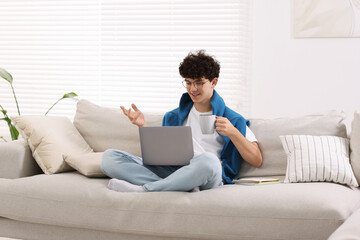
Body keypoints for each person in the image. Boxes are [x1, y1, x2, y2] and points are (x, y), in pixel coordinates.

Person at [101, 50, 262, 192]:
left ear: (214, 82)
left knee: (209, 160)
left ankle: (146, 189)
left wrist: (233, 132)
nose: (193, 89)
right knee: (109, 157)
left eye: (199, 82)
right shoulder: (173, 116)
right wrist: (143, 126)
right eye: (188, 82)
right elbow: (162, 154)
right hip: (175, 171)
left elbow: (256, 159)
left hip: (207, 174)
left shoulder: (232, 119)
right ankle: (181, 185)